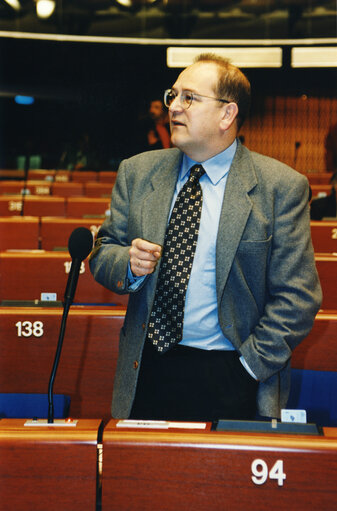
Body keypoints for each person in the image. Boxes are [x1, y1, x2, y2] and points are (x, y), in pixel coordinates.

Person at [90, 53, 322, 422]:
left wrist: (248, 366)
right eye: (173, 95)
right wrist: (129, 265)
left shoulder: (280, 187)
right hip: (148, 368)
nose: (174, 107)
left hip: (233, 374)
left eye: (189, 98)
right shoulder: (137, 172)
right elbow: (103, 253)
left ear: (227, 114)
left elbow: (298, 297)